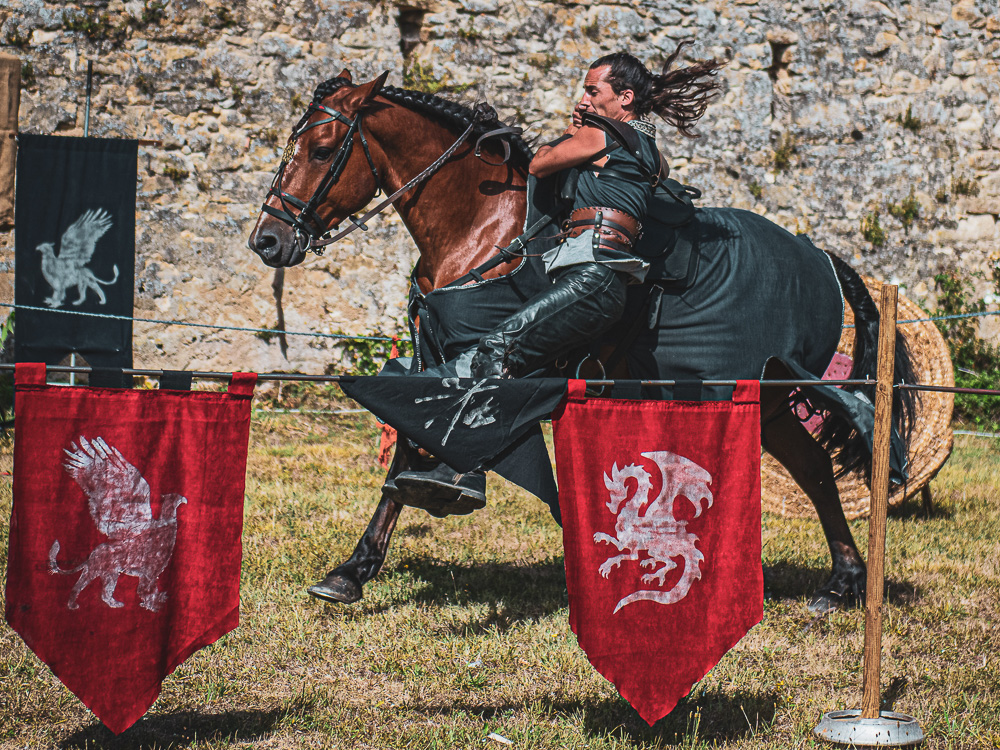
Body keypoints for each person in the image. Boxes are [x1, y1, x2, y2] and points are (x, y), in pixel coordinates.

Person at [470, 43, 724, 379]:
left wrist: (571, 131)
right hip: (608, 280)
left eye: (593, 90)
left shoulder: (600, 133)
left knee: (496, 349)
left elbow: (539, 165)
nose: (584, 100)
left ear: (625, 98)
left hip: (591, 273)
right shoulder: (655, 157)